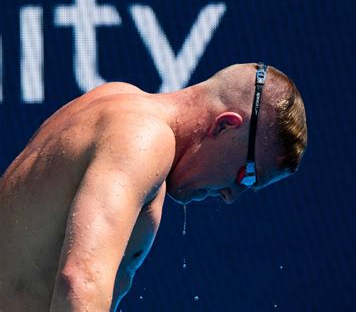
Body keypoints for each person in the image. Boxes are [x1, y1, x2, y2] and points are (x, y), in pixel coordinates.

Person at [0, 63, 307, 311]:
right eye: (247, 175)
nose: (231, 195)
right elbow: (81, 281)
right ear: (225, 124)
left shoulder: (115, 100)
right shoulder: (144, 138)